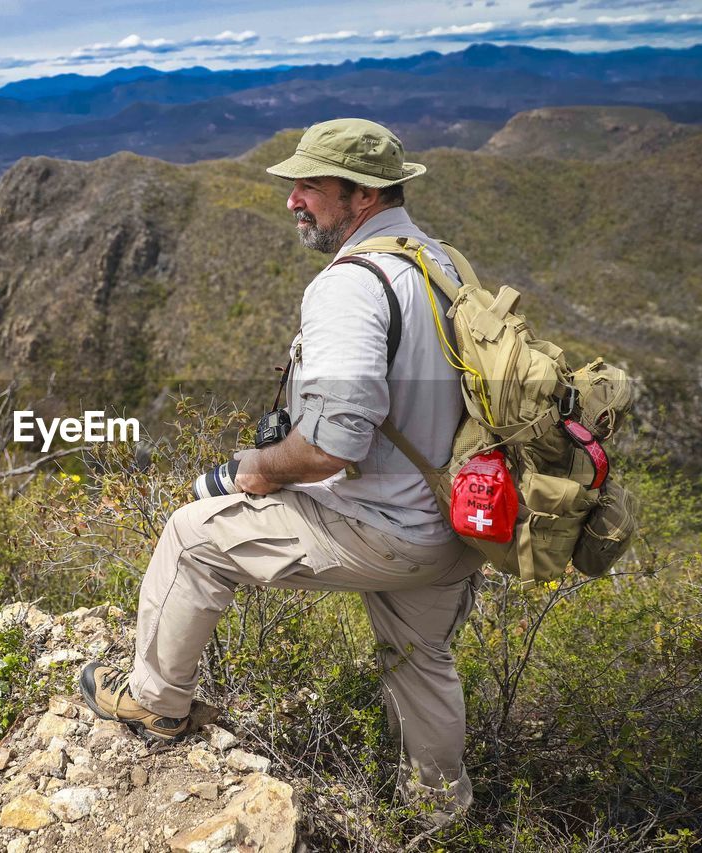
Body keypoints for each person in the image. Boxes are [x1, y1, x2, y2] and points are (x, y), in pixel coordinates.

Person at [79, 118, 485, 824]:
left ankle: (154, 702)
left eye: (309, 185)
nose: (292, 200)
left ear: (359, 195)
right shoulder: (441, 263)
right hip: (449, 525)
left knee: (192, 534)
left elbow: (335, 443)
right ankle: (440, 817)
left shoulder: (351, 287)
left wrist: (255, 468)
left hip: (381, 525)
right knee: (422, 663)